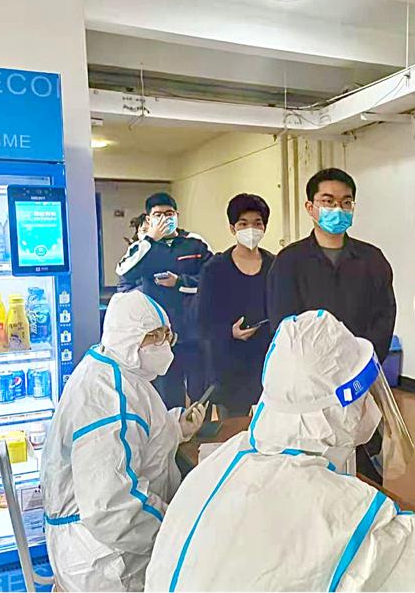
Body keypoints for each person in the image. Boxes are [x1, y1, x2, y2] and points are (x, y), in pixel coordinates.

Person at [145, 310, 415, 592]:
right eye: (363, 397)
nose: (370, 408)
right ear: (338, 408)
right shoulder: (336, 512)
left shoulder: (224, 461)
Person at [41, 290, 206, 591]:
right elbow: (112, 508)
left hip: (98, 541)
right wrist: (178, 532)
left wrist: (176, 427)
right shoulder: (107, 398)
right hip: (104, 561)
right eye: (155, 336)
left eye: (167, 335)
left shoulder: (114, 368)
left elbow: (135, 439)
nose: (165, 345)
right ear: (129, 339)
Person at [267, 167, 395, 481]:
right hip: (309, 391)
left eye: (346, 202)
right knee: (313, 473)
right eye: (328, 201)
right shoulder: (289, 262)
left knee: (364, 469)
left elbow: (384, 317)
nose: (338, 209)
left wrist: (360, 371)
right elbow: (284, 327)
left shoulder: (372, 260)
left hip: (361, 383)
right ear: (310, 207)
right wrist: (319, 377)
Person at [116, 192, 213, 408]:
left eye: (169, 214)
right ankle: (172, 427)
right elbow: (123, 271)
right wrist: (150, 239)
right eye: (158, 215)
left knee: (201, 392)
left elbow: (212, 279)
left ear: (177, 215)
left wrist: (180, 282)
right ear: (149, 219)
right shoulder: (143, 247)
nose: (164, 219)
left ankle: (202, 427)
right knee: (167, 394)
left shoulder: (194, 243)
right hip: (160, 336)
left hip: (194, 330)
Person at [198, 194, 274, 417]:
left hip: (267, 360)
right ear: (233, 228)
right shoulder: (215, 268)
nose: (251, 229)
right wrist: (229, 332)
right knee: (232, 427)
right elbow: (202, 321)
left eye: (257, 223)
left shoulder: (275, 265)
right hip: (229, 364)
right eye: (243, 223)